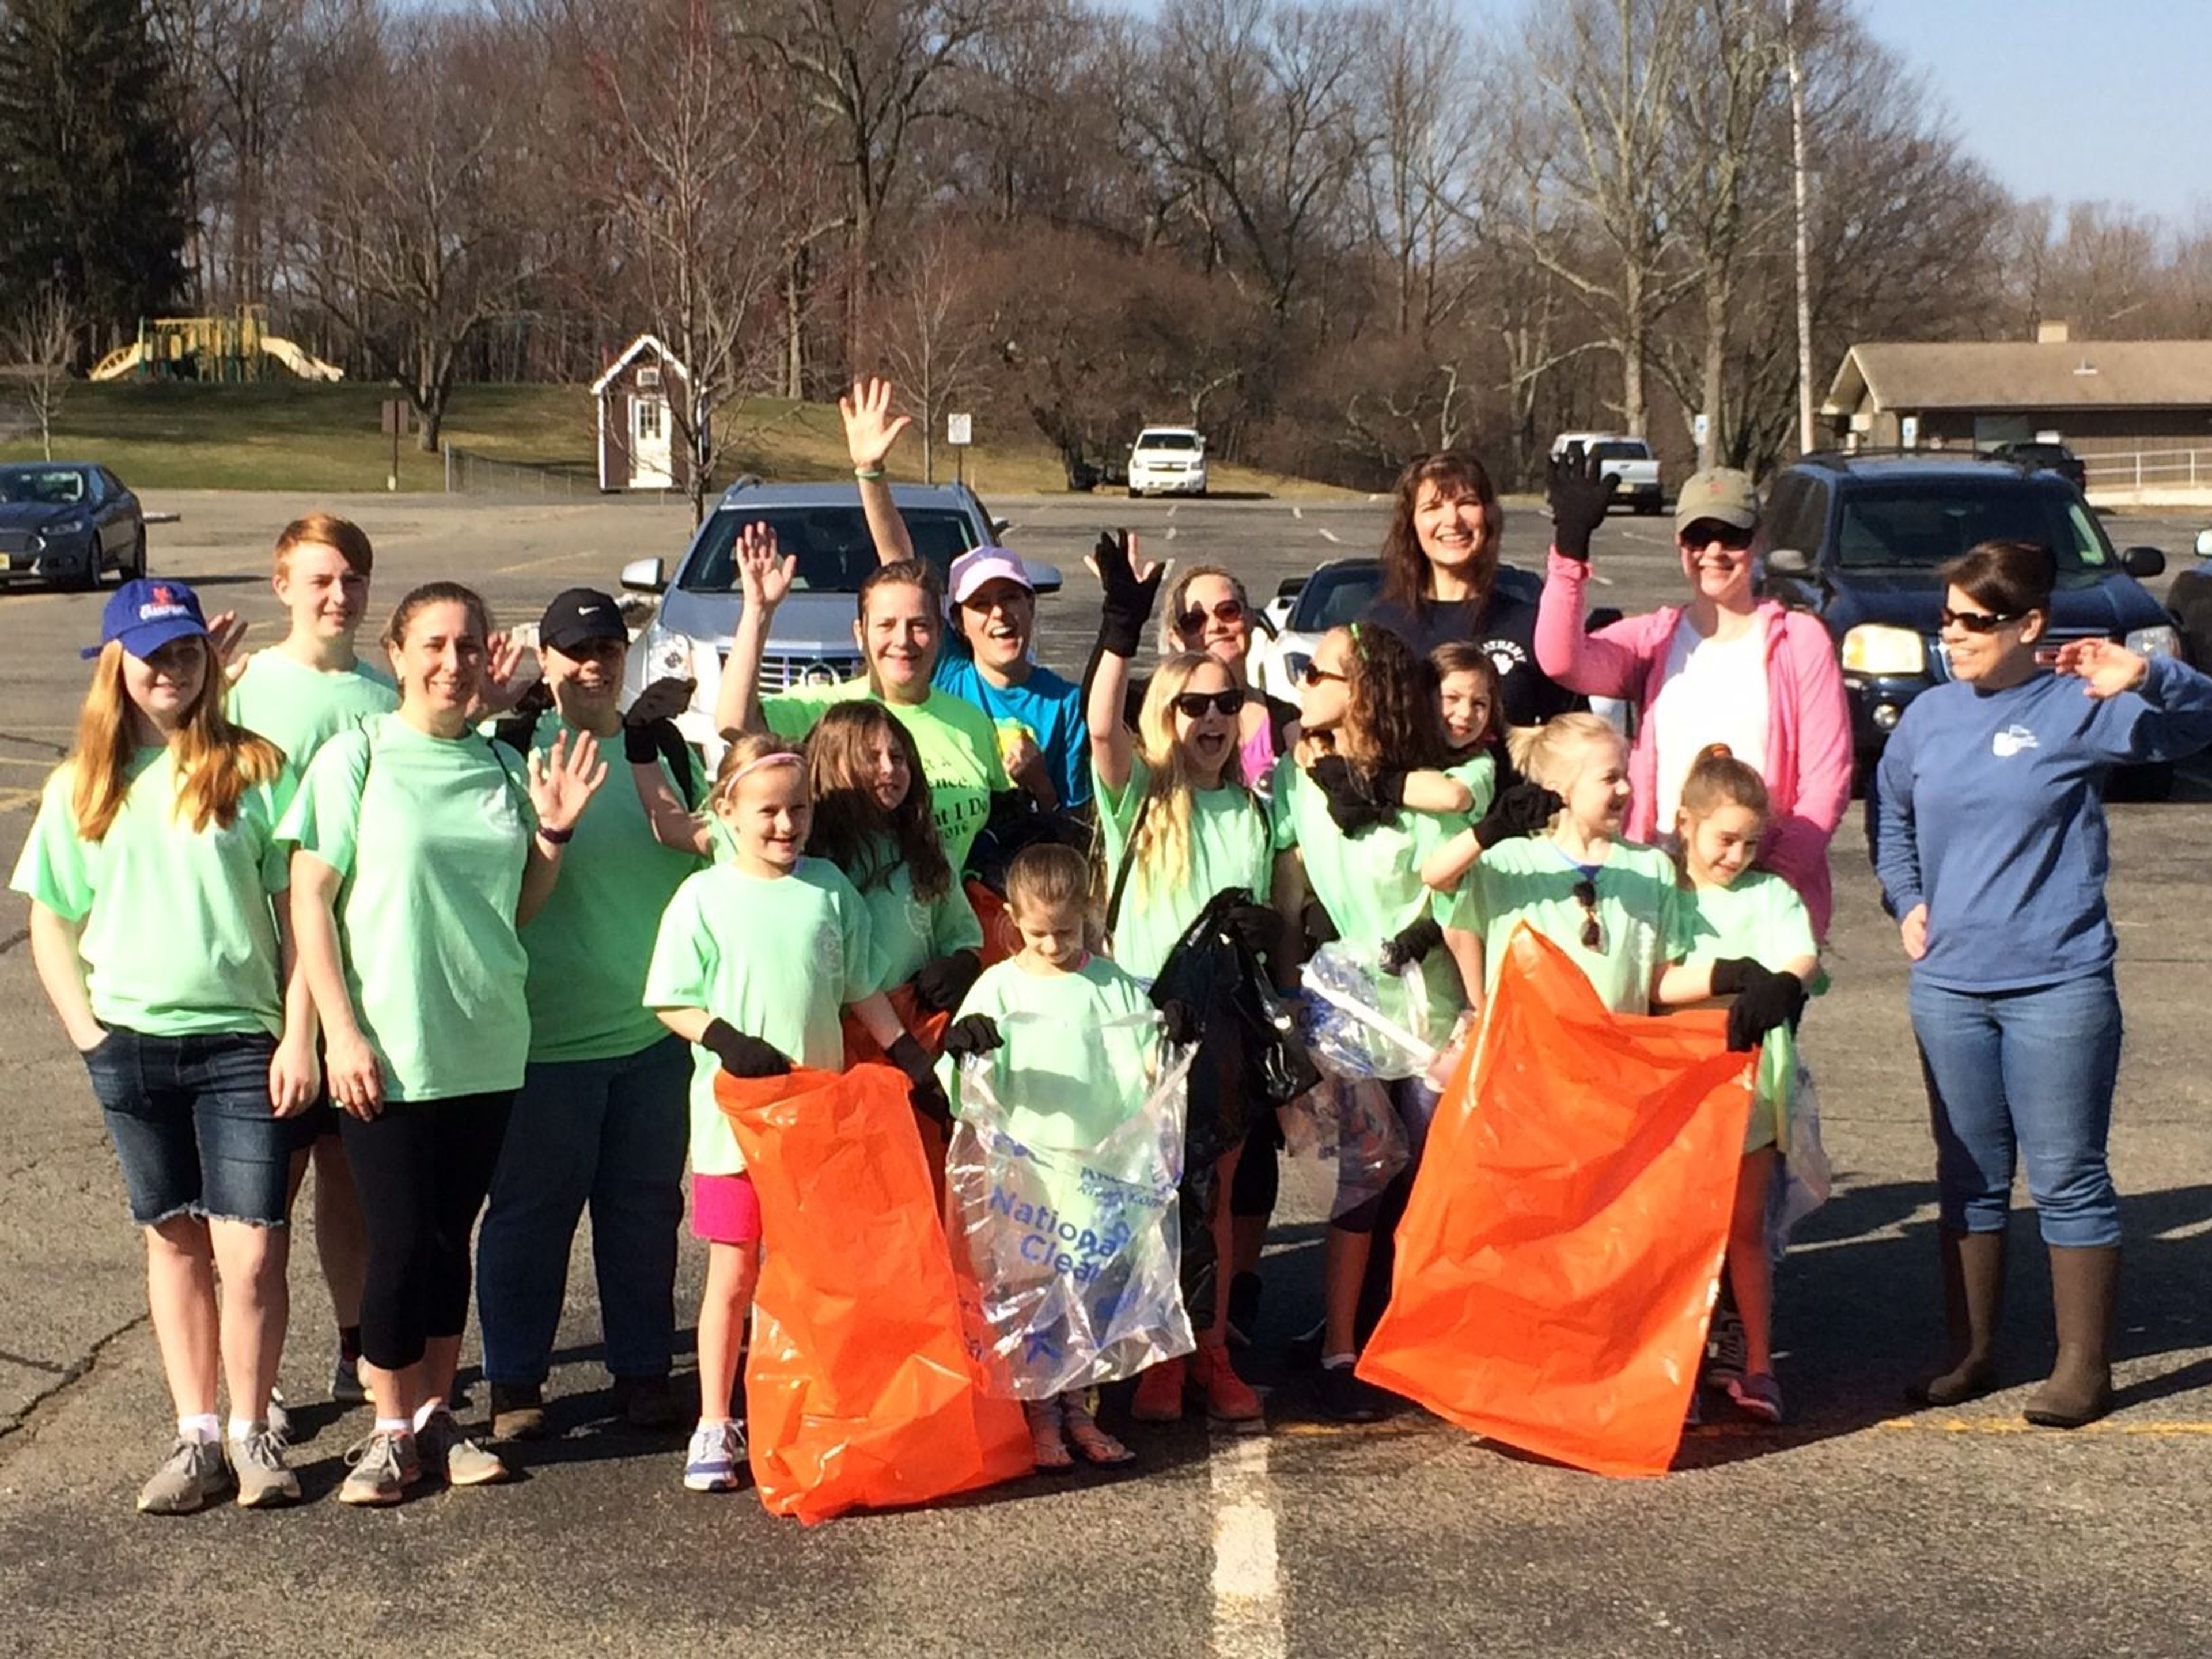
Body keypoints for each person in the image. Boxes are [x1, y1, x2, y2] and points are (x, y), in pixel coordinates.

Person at [1872, 539, 2212, 1429]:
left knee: (2067, 1175)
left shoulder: (2075, 706)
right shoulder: (1929, 717)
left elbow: (2198, 727)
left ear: (2030, 625)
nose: (1953, 636)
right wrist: (1905, 898)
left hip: (2056, 983)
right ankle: (1973, 1352)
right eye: (1945, 618)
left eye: (1974, 623)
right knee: (1969, 1175)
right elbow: (1893, 810)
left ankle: (2081, 1367)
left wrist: (2147, 677)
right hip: (1949, 987)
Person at [284, 582, 607, 1506]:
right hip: (388, 1044)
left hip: (484, 1040)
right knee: (397, 1243)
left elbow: (517, 910)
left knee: (446, 1242)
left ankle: (434, 1416)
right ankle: (386, 1432)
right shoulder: (357, 759)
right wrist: (338, 1032)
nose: (452, 662)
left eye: (468, 645)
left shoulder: (505, 769)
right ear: (396, 654)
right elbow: (311, 898)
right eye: (432, 644)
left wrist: (552, 835)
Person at [13, 579, 316, 1513]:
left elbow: (298, 915)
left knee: (254, 1250)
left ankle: (254, 1427)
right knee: (176, 1241)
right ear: (116, 666)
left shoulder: (254, 770)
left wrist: (295, 1031)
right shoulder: (84, 787)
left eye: (186, 652)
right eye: (150, 656)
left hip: (238, 1044)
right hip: (131, 1045)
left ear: (206, 662)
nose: (169, 670)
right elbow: (50, 922)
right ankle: (197, 1437)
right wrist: (88, 1035)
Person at [643, 733, 946, 1494]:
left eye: (800, 810)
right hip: (734, 1129)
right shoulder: (703, 897)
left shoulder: (829, 890)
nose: (787, 826)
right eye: (770, 812)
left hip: (817, 1123)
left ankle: (811, 1404)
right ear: (728, 812)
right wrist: (722, 1037)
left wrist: (906, 1054)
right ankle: (716, 1417)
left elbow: (860, 988)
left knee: (814, 1273)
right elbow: (671, 996)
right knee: (736, 1271)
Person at [474, 590, 706, 1444]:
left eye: (608, 647)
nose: (594, 664)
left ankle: (643, 1372)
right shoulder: (511, 749)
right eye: (575, 650)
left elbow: (713, 842)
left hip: (653, 1033)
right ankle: (515, 1384)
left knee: (643, 1211)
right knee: (530, 1215)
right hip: (543, 1038)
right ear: (546, 660)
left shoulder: (664, 750)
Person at [1088, 531, 1278, 1429]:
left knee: (1219, 1195)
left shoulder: (1254, 810)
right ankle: (1156, 1355)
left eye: (1225, 704)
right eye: (1193, 704)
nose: (1209, 718)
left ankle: (1214, 1352)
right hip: (1148, 1028)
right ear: (1165, 712)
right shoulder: (1142, 797)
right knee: (1154, 1195)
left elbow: (1282, 922)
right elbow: (1099, 730)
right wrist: (1120, 627)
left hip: (1229, 1030)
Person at [1268, 622, 1479, 1421]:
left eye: (1318, 673)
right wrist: (1287, 989)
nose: (1303, 684)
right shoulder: (1298, 779)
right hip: (1347, 1006)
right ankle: (1340, 1347)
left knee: (1428, 1183)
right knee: (1363, 1175)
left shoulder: (1424, 781)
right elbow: (1290, 887)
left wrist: (1374, 779)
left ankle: (1419, 1335)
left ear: (1364, 693)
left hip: (1430, 1011)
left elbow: (1457, 832)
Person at [1535, 457, 1854, 938]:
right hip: (1658, 891)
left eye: (1733, 536)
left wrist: (1768, 884)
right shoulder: (1655, 639)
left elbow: (1826, 784)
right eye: (1698, 538)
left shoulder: (1800, 641)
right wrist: (1570, 551)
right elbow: (1562, 660)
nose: (1714, 552)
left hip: (1761, 897)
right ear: (1680, 543)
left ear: (1759, 540)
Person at [935, 842, 1180, 1469]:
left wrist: (1172, 1039)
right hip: (1028, 1176)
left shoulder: (1112, 985)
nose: (1052, 946)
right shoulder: (998, 987)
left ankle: (1080, 1410)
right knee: (1035, 1297)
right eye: (1039, 934)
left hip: (1096, 1172)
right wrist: (965, 1051)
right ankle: (1041, 1417)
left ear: (1089, 915)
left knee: (1086, 1299)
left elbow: (1147, 1066)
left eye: (1066, 932)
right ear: (1012, 920)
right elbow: (966, 1088)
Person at [225, 513, 391, 1411]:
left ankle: (357, 1344)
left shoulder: (380, 695)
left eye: (354, 580)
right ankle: (254, 1375)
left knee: (347, 1177)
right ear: (282, 584)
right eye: (321, 580)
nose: (339, 596)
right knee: (260, 1191)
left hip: (354, 979)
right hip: (257, 984)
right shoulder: (249, 690)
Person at [840, 377, 1088, 811]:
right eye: (981, 604)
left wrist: (1038, 781)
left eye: (1012, 598)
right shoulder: (948, 675)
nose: (1000, 614)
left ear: (1031, 607)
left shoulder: (1064, 704)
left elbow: (1075, 824)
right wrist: (871, 474)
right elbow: (899, 567)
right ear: (956, 622)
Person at [714, 522, 1012, 874]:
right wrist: (758, 611)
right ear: (860, 633)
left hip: (942, 920)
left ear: (939, 633)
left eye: (919, 625)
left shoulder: (969, 721)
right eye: (886, 625)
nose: (903, 640)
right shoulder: (829, 713)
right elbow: (733, 724)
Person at [1670, 744, 1822, 1426]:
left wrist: (1786, 981)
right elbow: (1651, 978)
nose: (1737, 856)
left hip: (1750, 1090)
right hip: (1677, 1086)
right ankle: (1677, 1364)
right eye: (1725, 840)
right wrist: (1729, 977)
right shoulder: (1664, 894)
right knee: (1678, 1231)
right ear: (1685, 825)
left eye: (1750, 843)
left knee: (1744, 1231)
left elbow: (1802, 952)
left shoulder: (1772, 896)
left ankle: (1758, 1363)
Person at [1358, 449, 1577, 729]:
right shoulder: (1380, 625)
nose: (1452, 520)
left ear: (1488, 516)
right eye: (1433, 507)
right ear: (1411, 524)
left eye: (1467, 503)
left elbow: (1573, 742)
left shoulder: (1532, 625)